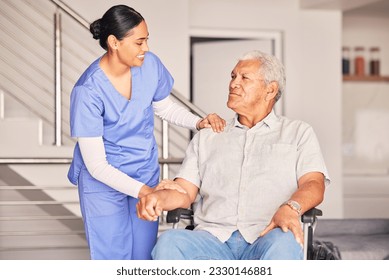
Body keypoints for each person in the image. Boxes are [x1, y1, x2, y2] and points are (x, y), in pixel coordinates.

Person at [136, 50, 331, 260]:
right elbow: (184, 192)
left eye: (244, 78)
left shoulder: (298, 133)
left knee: (284, 242)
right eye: (232, 76)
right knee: (169, 241)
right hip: (212, 240)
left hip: (268, 236)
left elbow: (314, 184)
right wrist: (157, 198)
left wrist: (291, 208)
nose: (233, 84)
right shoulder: (208, 136)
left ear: (270, 89)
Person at [67, 4, 225, 260]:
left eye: (147, 40)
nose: (146, 49)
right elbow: (97, 166)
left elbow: (164, 108)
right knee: (113, 260)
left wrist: (199, 123)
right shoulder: (88, 91)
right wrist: (147, 193)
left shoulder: (149, 65)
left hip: (143, 170)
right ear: (113, 42)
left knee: (143, 257)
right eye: (139, 42)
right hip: (103, 184)